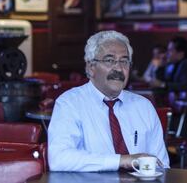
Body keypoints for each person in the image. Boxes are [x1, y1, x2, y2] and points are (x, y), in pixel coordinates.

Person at [48, 30, 169, 172]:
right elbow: (59, 159)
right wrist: (121, 160)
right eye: (110, 60)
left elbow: (162, 166)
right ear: (91, 67)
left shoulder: (143, 106)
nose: (118, 68)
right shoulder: (70, 104)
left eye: (124, 61)